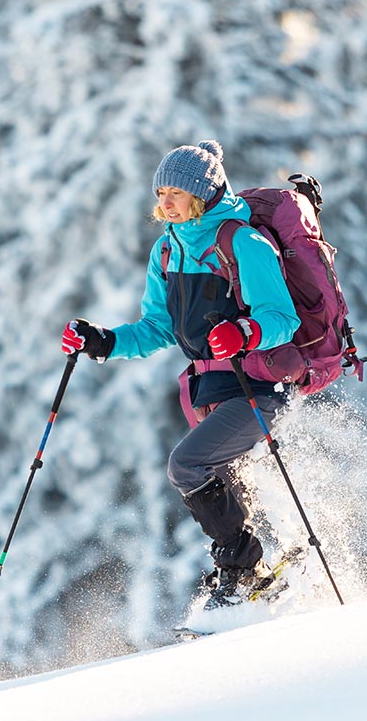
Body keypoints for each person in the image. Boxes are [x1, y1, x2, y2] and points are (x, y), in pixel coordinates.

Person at [61, 140, 301, 608]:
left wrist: (245, 331)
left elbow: (282, 318)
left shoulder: (242, 243)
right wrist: (103, 342)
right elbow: (156, 328)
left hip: (260, 387)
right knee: (225, 483)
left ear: (203, 195)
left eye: (176, 192)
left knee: (187, 465)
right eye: (161, 192)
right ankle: (266, 574)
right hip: (210, 390)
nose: (164, 202)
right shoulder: (167, 252)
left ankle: (242, 570)